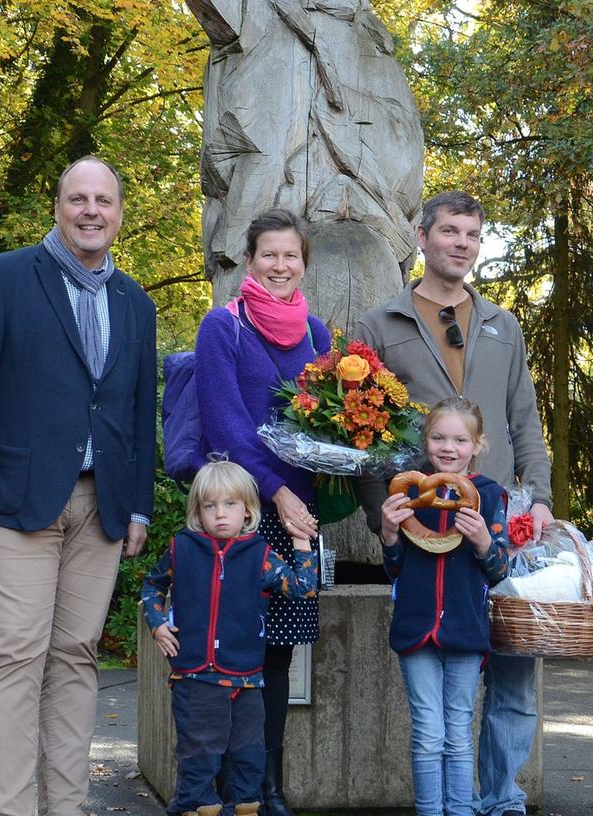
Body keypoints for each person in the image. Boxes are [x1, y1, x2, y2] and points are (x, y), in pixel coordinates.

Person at [0, 155, 158, 815]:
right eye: (78, 199)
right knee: (16, 655)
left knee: (75, 657)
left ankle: (65, 806)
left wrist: (140, 505)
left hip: (102, 508)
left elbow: (137, 409)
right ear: (58, 207)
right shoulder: (3, 278)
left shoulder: (135, 302)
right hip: (14, 505)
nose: (91, 211)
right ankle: (9, 809)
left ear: (119, 214)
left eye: (104, 201)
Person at [355, 190, 552, 816]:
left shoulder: (502, 324)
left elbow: (525, 418)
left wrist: (539, 496)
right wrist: (379, 519)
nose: (460, 244)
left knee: (513, 675)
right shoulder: (381, 325)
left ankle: (500, 798)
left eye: (471, 235)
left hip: (494, 526)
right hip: (420, 533)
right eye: (449, 232)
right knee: (437, 696)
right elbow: (358, 434)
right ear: (422, 237)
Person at [193, 208, 332, 815]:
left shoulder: (319, 337)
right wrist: (277, 490)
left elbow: (327, 426)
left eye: (290, 256)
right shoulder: (222, 328)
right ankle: (222, 782)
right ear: (248, 260)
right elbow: (226, 425)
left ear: (304, 264)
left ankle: (266, 787)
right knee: (230, 648)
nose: (280, 265)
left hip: (300, 516)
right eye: (268, 254)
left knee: (277, 658)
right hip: (241, 511)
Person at [141, 461, 319, 816]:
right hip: (196, 676)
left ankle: (245, 806)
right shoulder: (182, 548)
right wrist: (158, 623)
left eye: (230, 505)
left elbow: (302, 589)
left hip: (248, 678)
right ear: (198, 510)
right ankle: (195, 807)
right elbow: (153, 584)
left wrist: (302, 543)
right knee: (199, 756)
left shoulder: (261, 555)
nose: (220, 515)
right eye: (210, 506)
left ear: (249, 510)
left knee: (248, 754)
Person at [380, 398, 511, 816]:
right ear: (426, 440)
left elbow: (499, 570)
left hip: (466, 631)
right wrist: (388, 533)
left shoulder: (488, 496)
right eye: (438, 437)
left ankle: (459, 810)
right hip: (416, 630)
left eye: (459, 439)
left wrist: (483, 543)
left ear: (477, 444)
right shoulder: (411, 494)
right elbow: (394, 569)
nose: (448, 447)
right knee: (427, 733)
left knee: (457, 732)